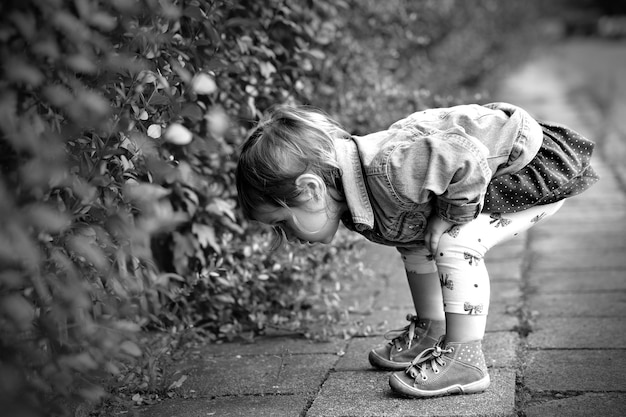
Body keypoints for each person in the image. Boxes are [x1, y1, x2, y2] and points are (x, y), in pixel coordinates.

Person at [235, 102, 599, 398]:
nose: (287, 237)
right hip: (479, 172)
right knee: (415, 239)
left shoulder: (390, 171)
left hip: (530, 165)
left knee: (455, 240)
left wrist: (450, 215)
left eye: (283, 223)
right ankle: (431, 329)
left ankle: (466, 358)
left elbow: (464, 158)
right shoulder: (354, 193)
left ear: (312, 189)